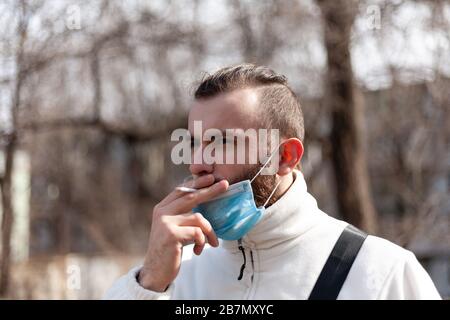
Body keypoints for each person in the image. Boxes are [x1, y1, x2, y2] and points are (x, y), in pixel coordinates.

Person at [104, 64, 441, 300]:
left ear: (286, 157)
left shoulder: (380, 275)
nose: (197, 163)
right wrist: (147, 284)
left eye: (222, 143)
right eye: (194, 142)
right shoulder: (175, 279)